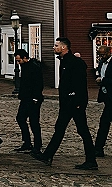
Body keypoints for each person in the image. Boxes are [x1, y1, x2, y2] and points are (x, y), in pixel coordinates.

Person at [32, 37, 97, 170]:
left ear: (63, 47)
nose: (53, 48)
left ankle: (91, 160)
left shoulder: (74, 63)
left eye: (56, 45)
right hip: (66, 103)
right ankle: (48, 155)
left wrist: (79, 102)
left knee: (82, 131)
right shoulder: (65, 61)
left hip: (74, 103)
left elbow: (80, 84)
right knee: (60, 128)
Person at [13, 49, 43, 154]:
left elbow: (39, 84)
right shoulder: (24, 66)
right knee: (20, 118)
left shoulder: (34, 67)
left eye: (19, 60)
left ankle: (37, 145)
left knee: (34, 122)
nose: (18, 63)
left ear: (25, 58)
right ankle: (27, 142)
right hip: (25, 98)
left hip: (33, 99)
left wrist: (36, 98)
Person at [94, 45, 112, 157]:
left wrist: (103, 80)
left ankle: (98, 148)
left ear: (109, 52)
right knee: (104, 123)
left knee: (104, 122)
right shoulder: (101, 63)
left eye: (103, 54)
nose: (101, 57)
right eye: (100, 55)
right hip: (107, 98)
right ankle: (98, 149)